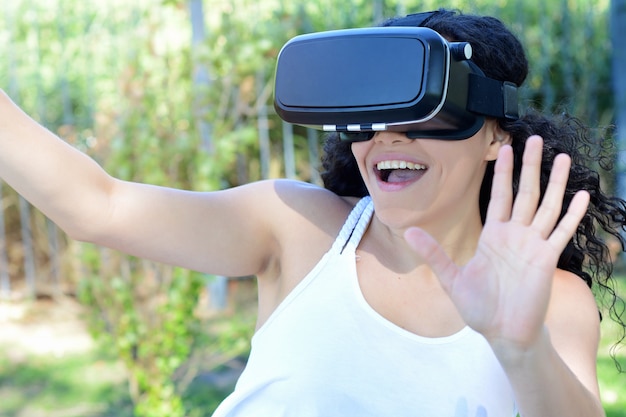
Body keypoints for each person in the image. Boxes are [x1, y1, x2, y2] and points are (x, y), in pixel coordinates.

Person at [0, 8, 624, 417]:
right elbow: (97, 207)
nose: (389, 134)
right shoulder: (297, 229)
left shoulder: (549, 302)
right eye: (368, 110)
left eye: (423, 109)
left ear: (495, 137)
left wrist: (518, 349)